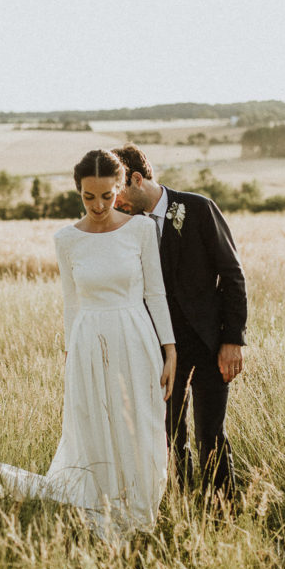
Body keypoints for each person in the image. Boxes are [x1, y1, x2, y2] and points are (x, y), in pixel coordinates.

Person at [0, 149, 176, 538]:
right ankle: (100, 510)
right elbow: (71, 302)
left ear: (119, 188)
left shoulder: (141, 230)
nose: (98, 205)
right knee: (95, 430)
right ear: (78, 192)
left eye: (106, 196)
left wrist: (170, 349)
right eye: (88, 197)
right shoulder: (66, 239)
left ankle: (140, 518)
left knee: (143, 432)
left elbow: (156, 294)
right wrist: (70, 356)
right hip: (87, 345)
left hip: (136, 339)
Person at [112, 144, 247, 501]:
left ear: (137, 179)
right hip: (158, 349)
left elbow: (232, 276)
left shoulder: (198, 208)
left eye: (118, 191)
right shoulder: (126, 226)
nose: (114, 202)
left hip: (208, 344)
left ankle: (224, 514)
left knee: (210, 435)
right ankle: (182, 507)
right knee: (169, 436)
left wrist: (232, 340)